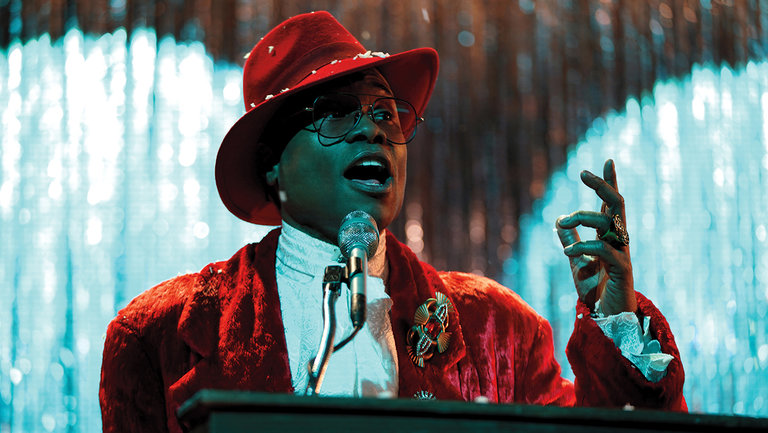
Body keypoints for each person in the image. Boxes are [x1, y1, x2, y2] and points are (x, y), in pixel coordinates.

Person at [99, 11, 686, 433]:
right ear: (273, 164)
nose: (372, 129)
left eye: (386, 113)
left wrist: (617, 322)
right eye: (335, 112)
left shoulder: (497, 326)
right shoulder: (159, 335)